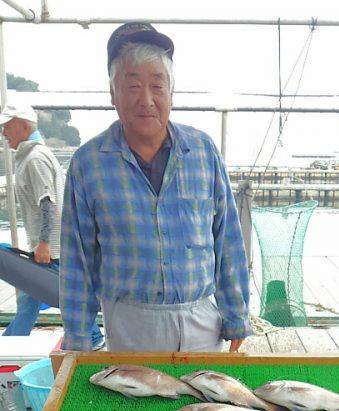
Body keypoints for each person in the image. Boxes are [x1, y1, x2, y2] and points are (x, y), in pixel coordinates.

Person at [60, 22, 252, 352]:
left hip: (202, 319)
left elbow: (228, 239)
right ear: (113, 94)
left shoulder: (203, 150)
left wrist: (236, 314)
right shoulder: (87, 163)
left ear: (171, 94)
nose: (146, 100)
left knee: (205, 404)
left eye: (157, 85)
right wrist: (78, 337)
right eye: (132, 86)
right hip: (129, 323)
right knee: (132, 405)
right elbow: (77, 259)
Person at [0, 102, 104, 347]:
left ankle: (94, 338)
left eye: (7, 126)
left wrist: (45, 244)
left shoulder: (35, 158)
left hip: (53, 248)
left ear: (23, 126)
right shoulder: (30, 156)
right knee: (32, 298)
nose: (3, 131)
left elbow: (48, 203)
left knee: (66, 297)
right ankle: (11, 343)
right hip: (46, 245)